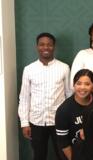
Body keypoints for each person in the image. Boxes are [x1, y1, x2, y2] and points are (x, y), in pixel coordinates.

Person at [18, 32, 72, 160]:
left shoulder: (64, 68)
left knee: (62, 155)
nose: (45, 47)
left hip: (59, 121)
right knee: (39, 156)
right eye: (42, 44)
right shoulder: (29, 69)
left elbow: (69, 95)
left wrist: (70, 120)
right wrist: (24, 123)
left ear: (54, 46)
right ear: (37, 47)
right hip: (36, 121)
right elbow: (25, 97)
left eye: (49, 44)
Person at [55, 69, 93, 160]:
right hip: (74, 153)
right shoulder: (64, 110)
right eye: (78, 83)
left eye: (87, 84)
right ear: (73, 85)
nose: (82, 87)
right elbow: (63, 142)